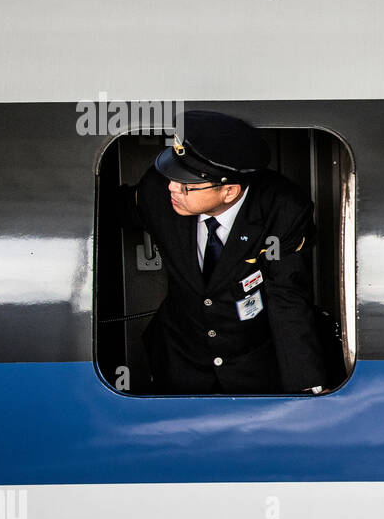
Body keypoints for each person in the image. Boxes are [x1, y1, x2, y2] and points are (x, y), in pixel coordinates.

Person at [127, 110, 328, 394]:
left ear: (229, 191)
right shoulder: (158, 190)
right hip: (180, 356)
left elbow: (287, 299)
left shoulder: (283, 210)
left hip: (252, 361)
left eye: (187, 184)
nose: (172, 186)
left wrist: (307, 388)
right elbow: (115, 210)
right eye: (172, 176)